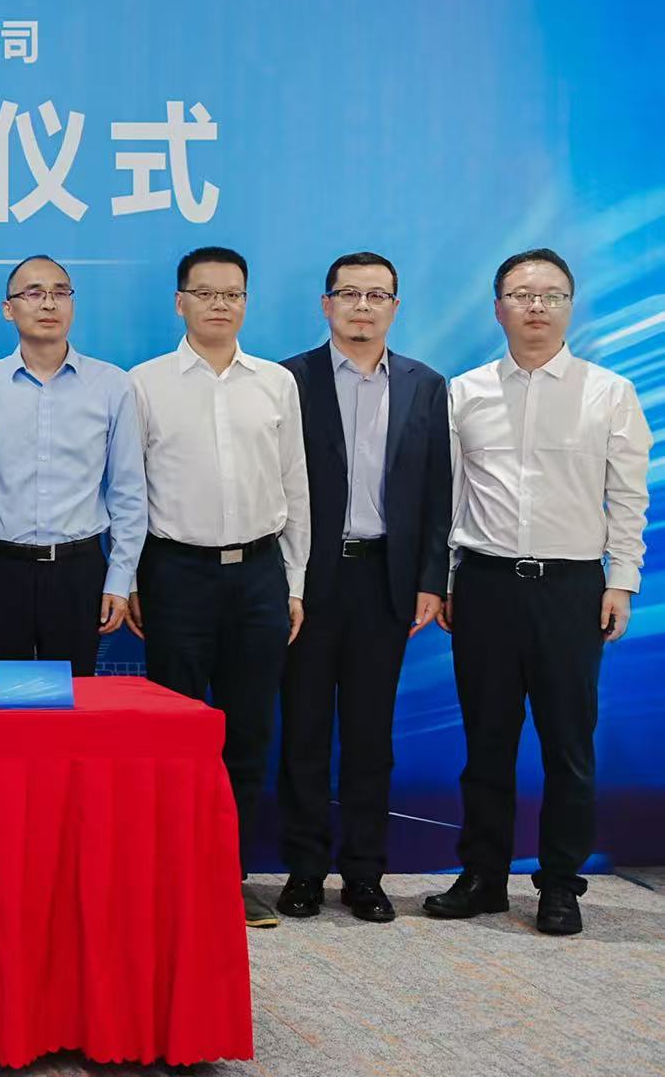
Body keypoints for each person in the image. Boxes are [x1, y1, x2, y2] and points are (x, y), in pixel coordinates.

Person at [428, 248, 650, 936]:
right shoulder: (463, 393)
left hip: (571, 588)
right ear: (497, 308)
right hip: (485, 585)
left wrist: (620, 580)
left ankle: (559, 882)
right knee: (486, 741)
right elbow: (448, 497)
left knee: (567, 744)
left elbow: (627, 496)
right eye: (521, 294)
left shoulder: (607, 392)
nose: (535, 306)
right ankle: (482, 876)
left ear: (569, 307)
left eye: (550, 295)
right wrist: (445, 583)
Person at [128, 245, 309, 928]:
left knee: (248, 731)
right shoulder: (144, 384)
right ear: (180, 302)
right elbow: (129, 491)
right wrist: (132, 578)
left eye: (231, 294)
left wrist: (294, 580)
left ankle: (227, 876)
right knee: (173, 734)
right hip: (175, 573)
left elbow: (295, 487)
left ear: (245, 302)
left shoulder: (275, 383)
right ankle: (171, 875)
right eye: (204, 293)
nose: (218, 305)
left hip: (260, 574)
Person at [275, 253, 450, 924]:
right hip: (309, 579)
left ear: (394, 308)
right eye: (349, 293)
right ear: (326, 304)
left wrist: (430, 580)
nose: (362, 306)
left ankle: (364, 874)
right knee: (303, 732)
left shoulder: (423, 385)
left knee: (371, 736)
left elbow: (438, 491)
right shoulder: (288, 379)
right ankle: (302, 870)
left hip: (385, 579)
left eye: (377, 295)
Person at [0, 255, 146, 674]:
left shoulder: (111, 384)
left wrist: (120, 580)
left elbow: (128, 492)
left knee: (74, 697)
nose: (48, 303)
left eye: (60, 292)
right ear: (8, 309)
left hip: (78, 572)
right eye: (34, 293)